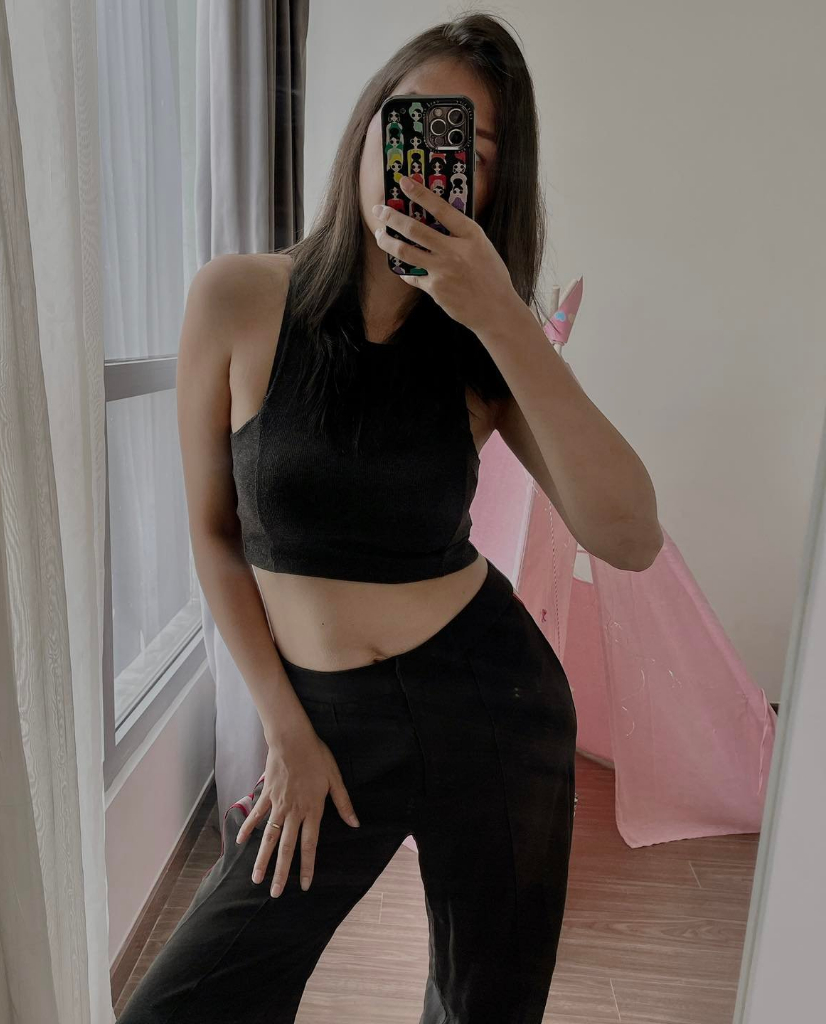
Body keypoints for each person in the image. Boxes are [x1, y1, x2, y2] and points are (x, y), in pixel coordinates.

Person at [119, 12, 661, 1024]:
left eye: (471, 151)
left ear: (492, 187)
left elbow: (629, 537)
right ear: (368, 127)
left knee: (482, 1008)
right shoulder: (237, 297)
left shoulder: (483, 345)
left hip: (491, 705)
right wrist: (285, 729)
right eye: (411, 121)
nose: (427, 163)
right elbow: (215, 534)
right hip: (326, 724)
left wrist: (501, 313)